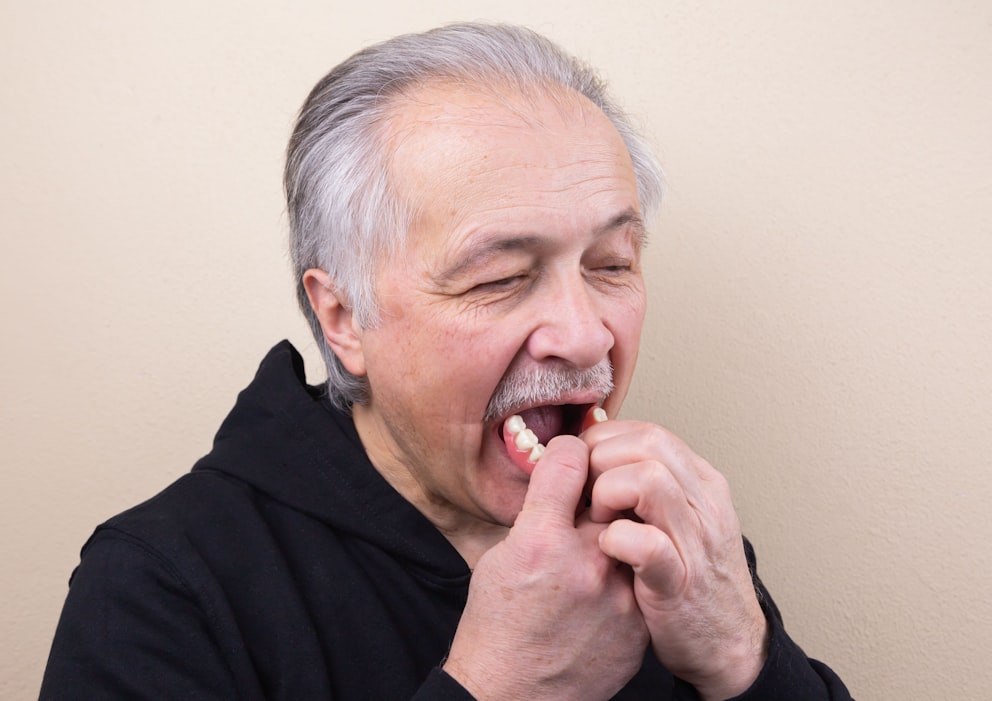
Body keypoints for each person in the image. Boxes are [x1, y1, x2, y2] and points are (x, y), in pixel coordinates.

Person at [40, 23, 853, 700]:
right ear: (343, 316)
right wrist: (498, 686)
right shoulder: (161, 588)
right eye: (500, 277)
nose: (585, 334)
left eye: (611, 264)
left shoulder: (669, 535)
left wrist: (745, 654)